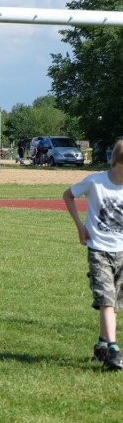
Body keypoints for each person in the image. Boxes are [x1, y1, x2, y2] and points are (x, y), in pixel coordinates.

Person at [63, 138, 123, 371]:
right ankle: (114, 350)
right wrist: (80, 226)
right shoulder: (95, 182)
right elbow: (68, 195)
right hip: (98, 249)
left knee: (114, 303)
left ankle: (101, 346)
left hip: (121, 251)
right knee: (106, 298)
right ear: (118, 162)